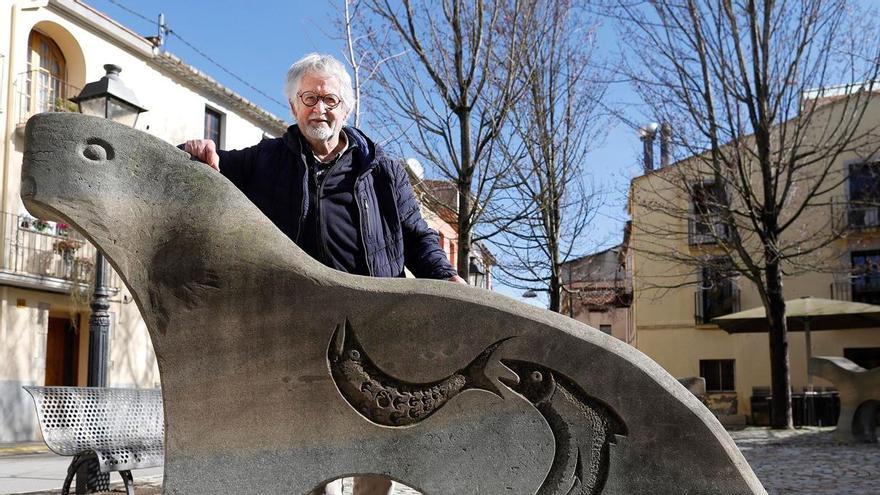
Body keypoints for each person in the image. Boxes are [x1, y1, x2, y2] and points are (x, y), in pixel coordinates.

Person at [184, 53, 464, 495]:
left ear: (346, 107)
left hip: (374, 325)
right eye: (309, 98)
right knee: (305, 443)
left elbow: (416, 235)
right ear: (293, 106)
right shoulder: (265, 161)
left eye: (330, 98)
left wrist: (445, 276)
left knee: (377, 441)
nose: (320, 109)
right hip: (298, 326)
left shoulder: (383, 170)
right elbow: (205, 171)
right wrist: (195, 153)